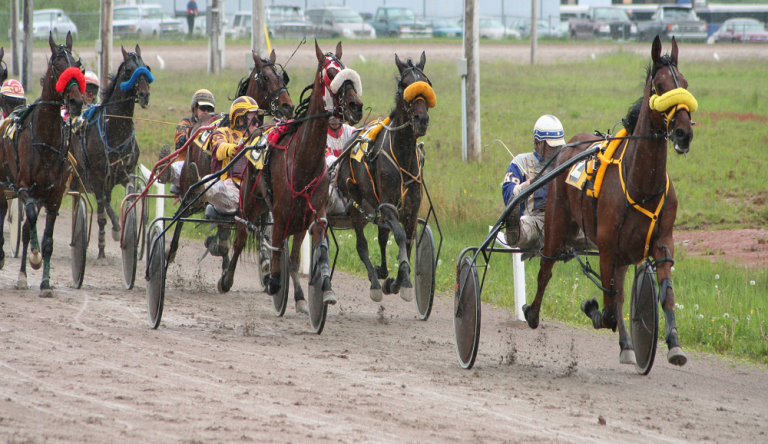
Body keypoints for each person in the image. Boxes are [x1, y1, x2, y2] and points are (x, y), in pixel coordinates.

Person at [187, 96, 261, 214]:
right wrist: (232, 149)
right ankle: (200, 190)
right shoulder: (223, 132)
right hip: (230, 188)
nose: (258, 123)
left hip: (254, 192)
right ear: (240, 120)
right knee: (209, 181)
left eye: (257, 118)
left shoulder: (259, 139)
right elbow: (218, 148)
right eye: (253, 118)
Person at [502, 115, 565, 251]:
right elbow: (507, 194)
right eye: (552, 147)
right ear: (538, 144)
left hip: (563, 220)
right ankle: (514, 232)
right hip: (535, 221)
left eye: (558, 147)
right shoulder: (521, 162)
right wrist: (525, 187)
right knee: (527, 227)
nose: (556, 151)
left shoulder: (566, 163)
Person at [158, 89, 216, 190]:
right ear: (195, 109)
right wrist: (193, 132)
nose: (206, 112)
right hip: (187, 163)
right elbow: (179, 142)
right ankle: (167, 172)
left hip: (209, 166)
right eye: (203, 108)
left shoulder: (216, 126)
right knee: (182, 167)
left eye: (209, 109)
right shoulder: (186, 124)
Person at [325, 115, 356, 215]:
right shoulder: (321, 134)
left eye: (336, 115)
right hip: (331, 183)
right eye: (331, 116)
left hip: (350, 182)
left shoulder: (352, 132)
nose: (334, 118)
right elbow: (325, 154)